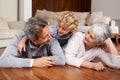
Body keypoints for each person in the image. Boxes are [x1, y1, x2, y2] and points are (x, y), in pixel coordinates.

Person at [0, 17, 65, 68]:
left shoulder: (52, 39)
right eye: (45, 37)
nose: (50, 37)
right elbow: (3, 60)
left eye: (49, 32)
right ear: (33, 40)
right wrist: (34, 62)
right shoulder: (19, 38)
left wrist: (41, 61)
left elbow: (61, 59)